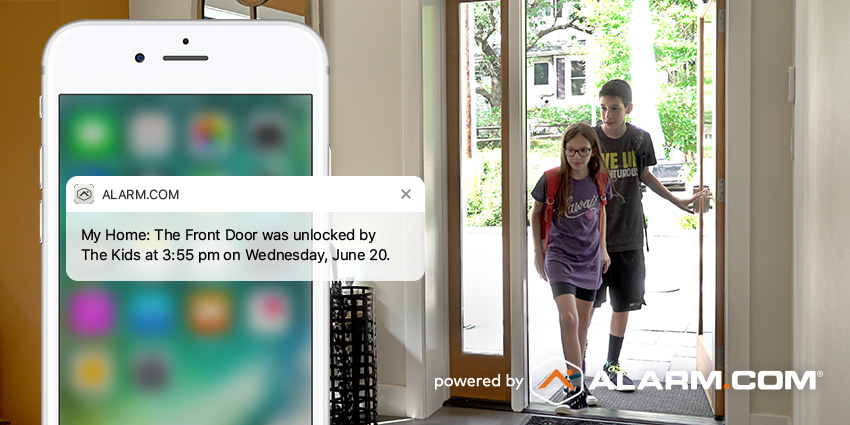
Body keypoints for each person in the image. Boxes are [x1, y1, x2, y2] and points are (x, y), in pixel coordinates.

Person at [589, 79, 709, 392]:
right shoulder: (590, 139)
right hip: (593, 240)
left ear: (628, 108)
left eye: (615, 109)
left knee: (622, 305)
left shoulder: (640, 139)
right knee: (586, 306)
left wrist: (679, 201)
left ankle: (611, 363)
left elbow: (645, 176)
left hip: (627, 235)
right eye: (603, 108)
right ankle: (577, 371)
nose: (608, 115)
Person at [530, 122, 613, 414]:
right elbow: (536, 211)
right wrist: (539, 251)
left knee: (582, 325)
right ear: (563, 149)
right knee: (568, 319)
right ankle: (576, 392)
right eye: (571, 150)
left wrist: (603, 248)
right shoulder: (551, 179)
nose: (577, 156)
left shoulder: (601, 179)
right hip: (560, 256)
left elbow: (602, 211)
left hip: (589, 258)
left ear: (593, 152)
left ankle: (575, 382)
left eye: (583, 150)